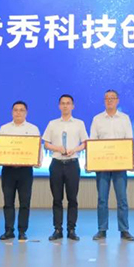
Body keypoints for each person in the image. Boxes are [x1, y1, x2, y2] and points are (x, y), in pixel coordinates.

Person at [90, 89, 134, 241]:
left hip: (120, 165)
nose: (109, 100)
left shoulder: (124, 118)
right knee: (102, 199)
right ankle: (102, 229)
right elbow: (93, 141)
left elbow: (129, 140)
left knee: (122, 199)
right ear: (104, 101)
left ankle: (124, 229)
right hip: (102, 166)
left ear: (117, 101)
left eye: (112, 98)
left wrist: (130, 160)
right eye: (107, 98)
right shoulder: (97, 119)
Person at [42, 94, 88, 241]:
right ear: (59, 106)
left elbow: (85, 143)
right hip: (56, 163)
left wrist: (75, 149)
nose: (65, 106)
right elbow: (46, 143)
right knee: (57, 198)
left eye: (68, 103)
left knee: (72, 198)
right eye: (63, 103)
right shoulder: (52, 124)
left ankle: (71, 229)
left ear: (73, 106)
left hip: (72, 164)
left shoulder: (79, 123)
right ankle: (57, 229)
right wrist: (57, 148)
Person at [0, 101, 41, 241]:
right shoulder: (4, 128)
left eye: (21, 110)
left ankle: (22, 231)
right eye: (16, 110)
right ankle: (9, 230)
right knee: (8, 201)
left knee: (24, 202)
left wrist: (37, 162)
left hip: (25, 171)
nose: (18, 112)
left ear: (26, 113)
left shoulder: (33, 129)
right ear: (12, 112)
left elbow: (38, 148)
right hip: (8, 170)